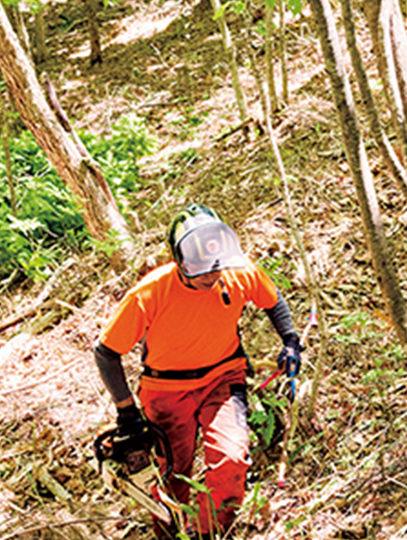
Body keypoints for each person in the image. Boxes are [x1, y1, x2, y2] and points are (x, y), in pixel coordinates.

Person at [95, 203, 303, 537]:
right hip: (165, 390)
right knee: (172, 474)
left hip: (224, 377)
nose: (210, 275)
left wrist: (290, 341)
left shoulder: (238, 272)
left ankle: (212, 532)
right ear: (179, 261)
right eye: (200, 269)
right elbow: (106, 352)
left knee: (232, 459)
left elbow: (273, 299)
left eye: (215, 266)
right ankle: (172, 533)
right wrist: (126, 411)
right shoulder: (151, 292)